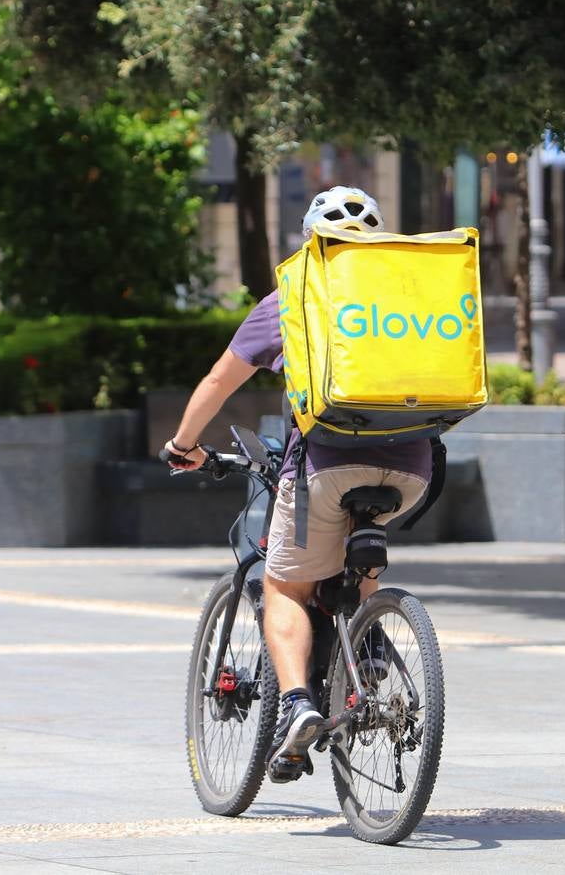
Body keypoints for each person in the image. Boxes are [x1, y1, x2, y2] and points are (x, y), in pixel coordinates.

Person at [162, 186, 429, 784]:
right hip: (413, 465)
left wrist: (184, 446)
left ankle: (298, 704)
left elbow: (218, 380)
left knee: (283, 585)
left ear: (313, 241)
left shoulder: (291, 296)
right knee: (355, 561)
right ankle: (368, 643)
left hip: (326, 466)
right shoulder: (411, 295)